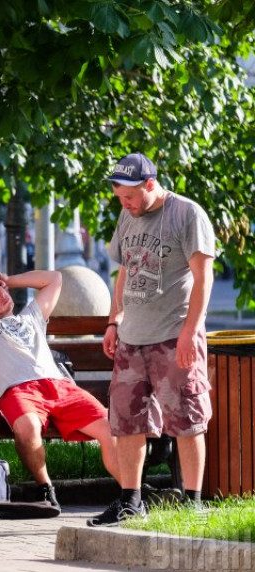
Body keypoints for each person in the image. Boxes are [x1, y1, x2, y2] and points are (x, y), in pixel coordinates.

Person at [90, 152, 216, 527]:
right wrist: (115, 321)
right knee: (127, 421)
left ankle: (192, 502)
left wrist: (191, 331)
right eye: (119, 198)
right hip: (132, 339)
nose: (124, 205)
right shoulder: (128, 215)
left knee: (187, 419)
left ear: (149, 184)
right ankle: (131, 501)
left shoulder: (187, 214)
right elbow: (124, 271)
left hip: (173, 334)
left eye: (129, 196)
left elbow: (203, 277)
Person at [0, 270, 120, 511]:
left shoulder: (31, 316)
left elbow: (54, 279)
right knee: (28, 427)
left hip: (60, 386)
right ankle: (45, 488)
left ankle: (131, 491)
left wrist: (8, 280)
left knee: (110, 426)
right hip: (18, 392)